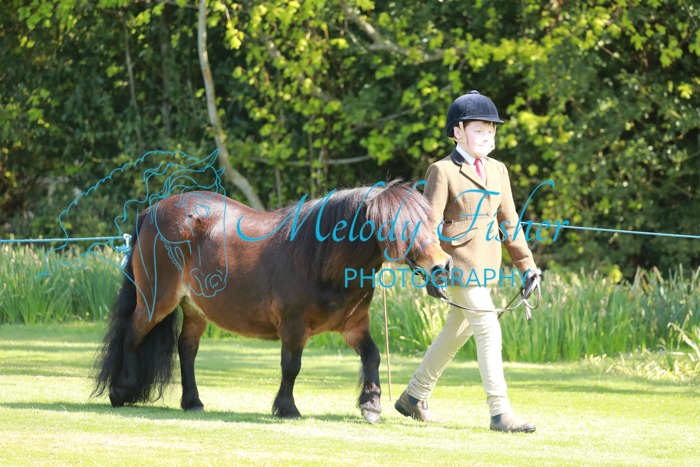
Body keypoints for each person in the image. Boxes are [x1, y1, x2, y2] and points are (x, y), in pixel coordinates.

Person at [394, 90, 541, 433]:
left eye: (491, 130)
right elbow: (429, 226)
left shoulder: (498, 170)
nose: (488, 136)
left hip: (486, 266)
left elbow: (510, 222)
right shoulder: (442, 170)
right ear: (458, 132)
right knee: (488, 327)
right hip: (457, 265)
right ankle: (500, 412)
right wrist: (430, 272)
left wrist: (527, 266)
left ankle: (414, 396)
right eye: (479, 130)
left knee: (456, 332)